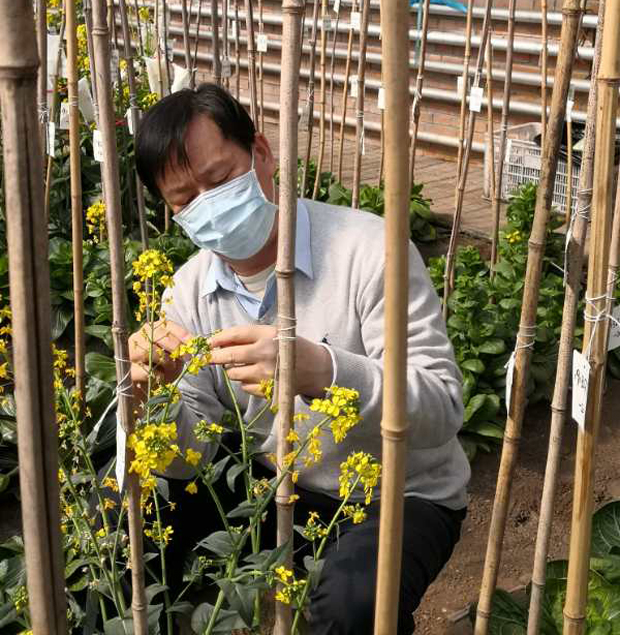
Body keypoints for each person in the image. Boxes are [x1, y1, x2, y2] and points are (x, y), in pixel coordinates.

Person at [129, 83, 470, 634]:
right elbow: (191, 461)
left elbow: (442, 408)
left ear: (262, 153)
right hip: (276, 484)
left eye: (219, 179)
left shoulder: (371, 251)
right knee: (126, 531)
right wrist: (157, 397)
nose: (208, 205)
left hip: (399, 494)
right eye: (185, 200)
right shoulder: (188, 293)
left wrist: (322, 371)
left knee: (353, 607)